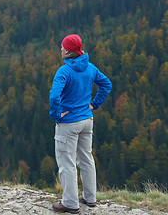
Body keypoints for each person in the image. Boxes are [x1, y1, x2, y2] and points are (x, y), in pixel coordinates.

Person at [49, 34, 112, 213]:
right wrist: (94, 104)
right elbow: (106, 84)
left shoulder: (64, 71)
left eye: (62, 47)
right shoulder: (90, 68)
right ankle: (90, 198)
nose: (60, 49)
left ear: (68, 51)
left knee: (67, 163)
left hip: (68, 123)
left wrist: (56, 115)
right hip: (87, 120)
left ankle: (70, 203)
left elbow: (54, 96)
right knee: (86, 158)